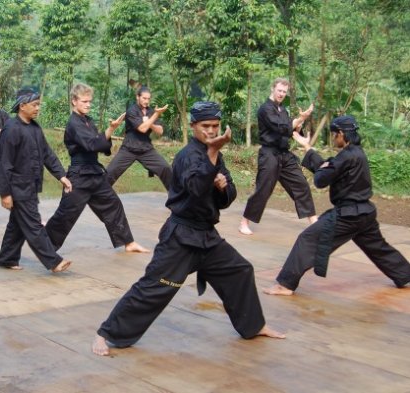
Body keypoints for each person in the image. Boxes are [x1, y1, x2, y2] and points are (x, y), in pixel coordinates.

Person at [92, 102, 285, 357]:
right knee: (155, 287)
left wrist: (222, 185)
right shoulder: (186, 156)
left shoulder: (215, 153)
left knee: (240, 271)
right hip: (181, 238)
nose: (211, 131)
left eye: (215, 126)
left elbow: (227, 198)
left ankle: (254, 325)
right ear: (193, 126)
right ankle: (106, 334)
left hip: (207, 237)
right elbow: (194, 191)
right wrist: (213, 158)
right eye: (206, 126)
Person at [264, 115, 410, 295]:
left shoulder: (347, 157)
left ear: (341, 134)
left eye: (334, 135)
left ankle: (285, 284)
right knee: (379, 248)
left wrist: (320, 163)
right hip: (365, 214)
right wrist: (308, 147)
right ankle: (404, 274)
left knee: (308, 239)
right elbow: (329, 167)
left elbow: (321, 179)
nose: (334, 139)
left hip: (348, 216)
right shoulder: (356, 153)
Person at [44, 83, 149, 254]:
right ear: (74, 101)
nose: (88, 105)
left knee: (113, 205)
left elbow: (100, 143)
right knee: (66, 215)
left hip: (95, 174)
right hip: (79, 177)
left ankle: (128, 242)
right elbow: (92, 144)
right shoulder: (74, 123)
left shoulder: (88, 121)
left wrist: (111, 129)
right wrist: (109, 129)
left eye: (90, 101)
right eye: (84, 101)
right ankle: (44, 247)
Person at [0, 88, 73, 273]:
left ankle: (6, 258)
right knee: (33, 224)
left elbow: (47, 154)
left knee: (17, 225)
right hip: (18, 187)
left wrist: (61, 176)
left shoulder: (35, 128)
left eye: (39, 104)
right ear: (22, 106)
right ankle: (53, 261)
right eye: (35, 105)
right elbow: (5, 163)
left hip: (31, 185)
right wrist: (5, 193)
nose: (38, 108)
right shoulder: (11, 129)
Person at [239, 78, 317, 235]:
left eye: (284, 92)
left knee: (300, 184)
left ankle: (314, 221)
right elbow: (280, 127)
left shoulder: (283, 110)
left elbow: (290, 129)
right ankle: (244, 222)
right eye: (279, 90)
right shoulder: (265, 109)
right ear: (273, 89)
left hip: (284, 154)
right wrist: (300, 119)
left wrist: (300, 130)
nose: (282, 94)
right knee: (263, 190)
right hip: (269, 155)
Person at [105, 86, 171, 190]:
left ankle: (177, 199)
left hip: (146, 150)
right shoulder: (131, 111)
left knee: (166, 169)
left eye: (148, 99)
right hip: (128, 149)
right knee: (110, 173)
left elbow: (160, 131)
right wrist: (156, 115)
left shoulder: (151, 112)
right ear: (137, 97)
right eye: (144, 98)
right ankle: (98, 196)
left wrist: (151, 121)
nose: (146, 101)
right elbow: (142, 129)